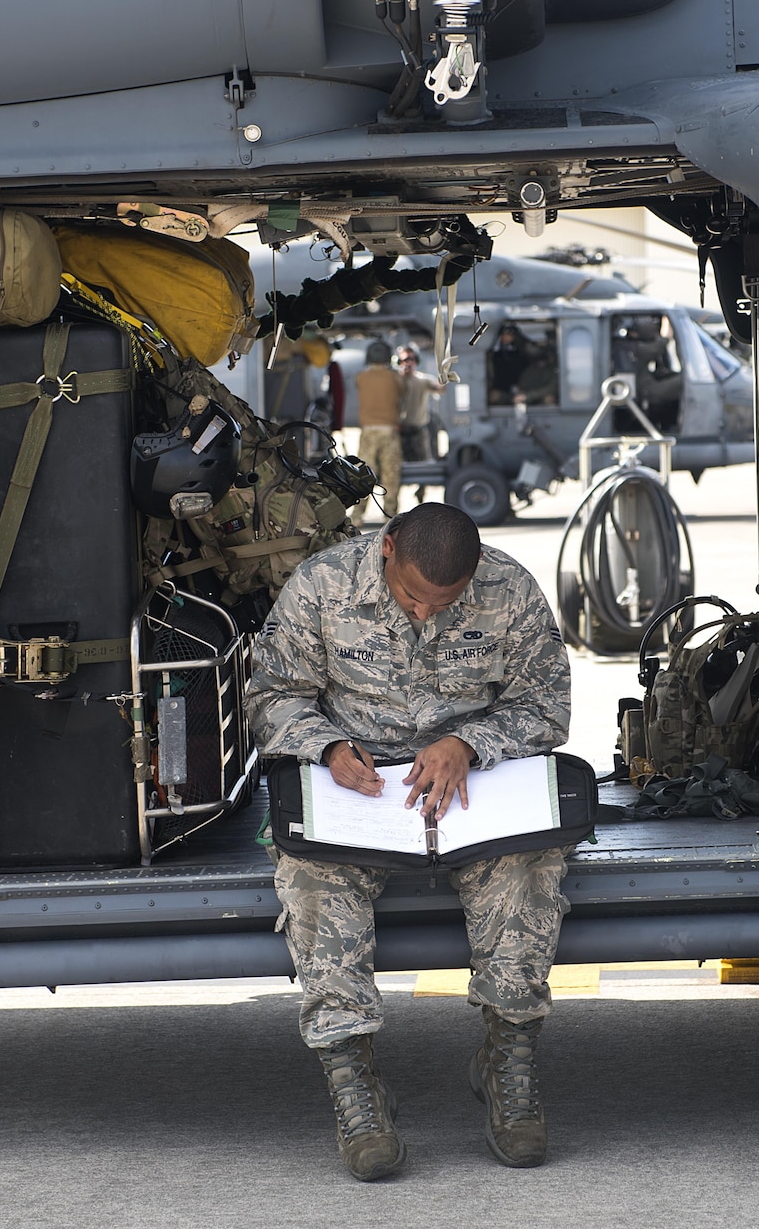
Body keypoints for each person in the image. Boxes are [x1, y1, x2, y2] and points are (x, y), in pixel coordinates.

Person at [245, 503, 573, 1180]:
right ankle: (354, 1085)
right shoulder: (322, 585)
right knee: (312, 884)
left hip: (469, 791)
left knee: (528, 870)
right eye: (411, 597)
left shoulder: (509, 589)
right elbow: (272, 696)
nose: (425, 614)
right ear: (388, 547)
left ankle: (507, 1064)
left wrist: (468, 742)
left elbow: (546, 705)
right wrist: (328, 745)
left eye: (444, 603)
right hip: (359, 796)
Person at [351, 339, 403, 523]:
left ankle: (357, 515)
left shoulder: (361, 377)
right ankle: (390, 515)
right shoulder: (395, 378)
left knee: (363, 474)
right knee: (390, 474)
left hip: (368, 431)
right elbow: (403, 393)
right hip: (388, 431)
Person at [396, 345, 445, 503]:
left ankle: (421, 497)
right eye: (404, 360)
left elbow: (439, 388)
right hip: (399, 431)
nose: (407, 363)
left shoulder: (422, 380)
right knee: (394, 467)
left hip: (418, 430)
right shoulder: (395, 381)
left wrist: (444, 375)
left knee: (424, 465)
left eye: (410, 359)